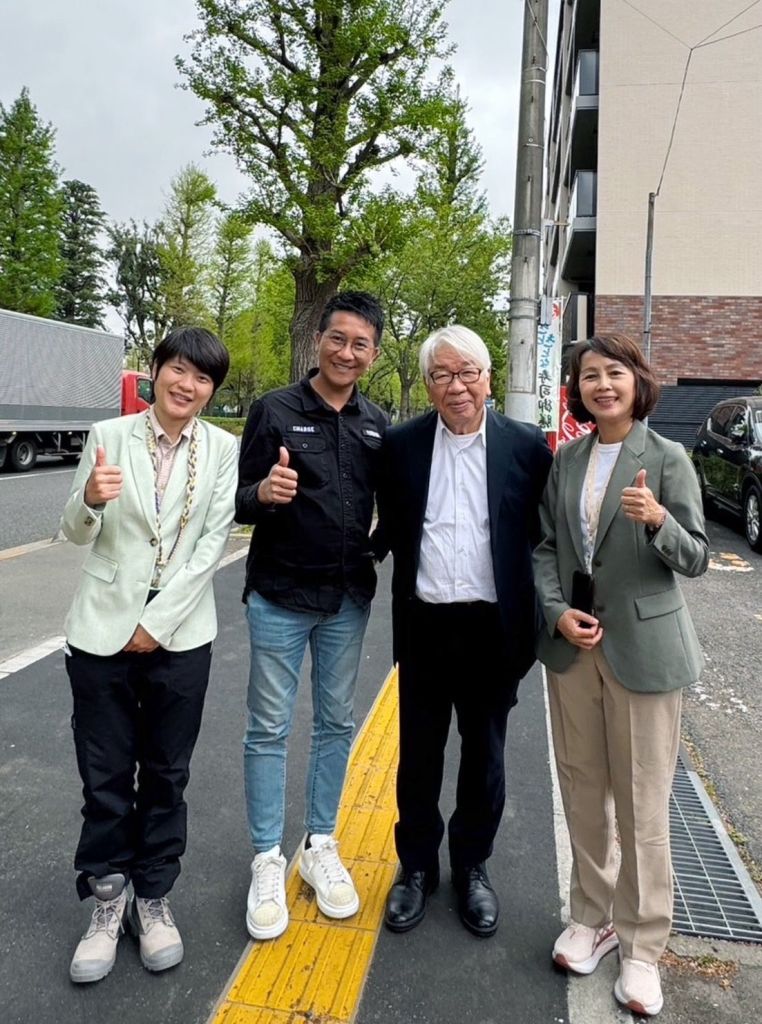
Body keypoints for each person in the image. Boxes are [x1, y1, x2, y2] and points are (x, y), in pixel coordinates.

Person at [533, 334, 708, 1017]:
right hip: (576, 647)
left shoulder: (667, 457)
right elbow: (547, 545)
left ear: (637, 381)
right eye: (589, 376)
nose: (602, 385)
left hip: (644, 651)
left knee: (641, 804)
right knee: (582, 789)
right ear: (576, 389)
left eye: (614, 373)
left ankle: (642, 946)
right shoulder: (568, 458)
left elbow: (695, 557)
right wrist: (555, 613)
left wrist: (659, 519)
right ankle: (591, 915)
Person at [62, 327, 237, 984]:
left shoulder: (222, 449)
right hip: (101, 627)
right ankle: (108, 900)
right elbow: (73, 531)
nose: (187, 385)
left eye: (202, 378)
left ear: (211, 391)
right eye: (178, 370)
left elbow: (212, 543)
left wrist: (156, 625)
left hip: (181, 634)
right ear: (156, 371)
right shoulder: (109, 435)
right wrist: (89, 499)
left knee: (166, 772)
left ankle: (154, 897)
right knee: (104, 773)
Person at [374, 325, 552, 937]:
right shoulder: (400, 445)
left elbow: (546, 538)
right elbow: (387, 526)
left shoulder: (526, 446)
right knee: (418, 756)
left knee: (485, 755)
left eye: (468, 372)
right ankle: (416, 867)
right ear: (429, 385)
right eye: (443, 375)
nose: (457, 386)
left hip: (492, 629)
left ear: (488, 378)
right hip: (424, 623)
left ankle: (472, 865)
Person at [236, 290, 388, 941]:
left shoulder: (377, 423)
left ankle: (319, 843)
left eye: (361, 344)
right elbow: (237, 499)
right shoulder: (274, 409)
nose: (347, 352)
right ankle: (267, 857)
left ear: (374, 353)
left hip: (347, 600)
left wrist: (379, 549)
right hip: (279, 595)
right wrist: (264, 493)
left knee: (336, 723)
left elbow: (393, 504)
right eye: (338, 338)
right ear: (319, 340)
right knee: (268, 727)